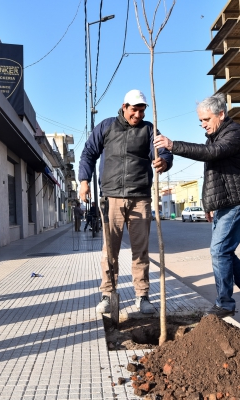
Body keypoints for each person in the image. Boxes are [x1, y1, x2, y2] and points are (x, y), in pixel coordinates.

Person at [154, 93, 240, 318]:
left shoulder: (235, 134)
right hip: (225, 204)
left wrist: (172, 145)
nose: (202, 125)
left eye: (206, 120)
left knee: (219, 251)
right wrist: (208, 204)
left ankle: (225, 303)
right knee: (224, 253)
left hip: (239, 202)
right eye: (200, 121)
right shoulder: (216, 136)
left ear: (221, 114)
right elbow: (212, 174)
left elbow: (212, 153)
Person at [78, 89, 173, 315]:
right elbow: (88, 153)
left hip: (140, 197)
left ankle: (142, 296)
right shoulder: (106, 126)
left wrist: (164, 162)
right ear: (124, 107)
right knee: (109, 250)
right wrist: (83, 181)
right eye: (134, 109)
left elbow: (163, 150)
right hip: (112, 197)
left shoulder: (149, 129)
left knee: (140, 251)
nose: (138, 115)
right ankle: (108, 295)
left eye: (142, 110)